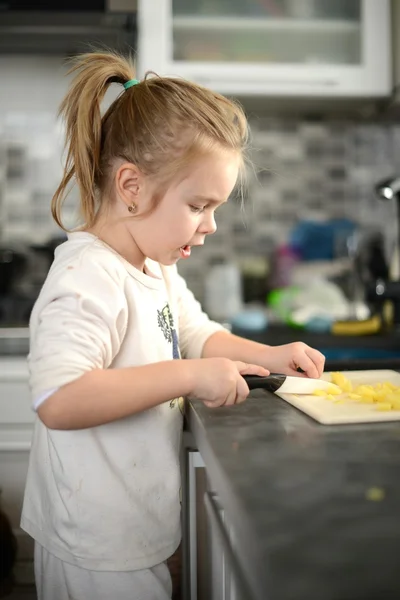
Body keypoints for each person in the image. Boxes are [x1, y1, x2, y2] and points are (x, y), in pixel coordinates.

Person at [20, 51, 325, 600]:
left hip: (134, 526)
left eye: (215, 209)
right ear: (132, 185)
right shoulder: (89, 276)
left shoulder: (153, 266)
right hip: (94, 543)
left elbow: (197, 333)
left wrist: (271, 355)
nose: (209, 226)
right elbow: (59, 398)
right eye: (198, 205)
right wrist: (189, 377)